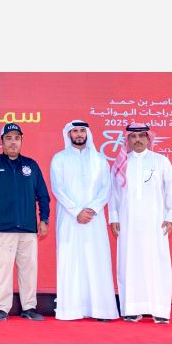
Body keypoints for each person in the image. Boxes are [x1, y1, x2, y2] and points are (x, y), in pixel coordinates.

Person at [0, 123, 50, 321]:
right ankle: (2, 308)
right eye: (8, 138)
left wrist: (44, 219)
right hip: (2, 228)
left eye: (17, 138)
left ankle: (29, 307)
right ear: (2, 141)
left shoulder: (31, 165)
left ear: (21, 141)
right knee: (3, 270)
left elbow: (43, 195)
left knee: (29, 270)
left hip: (28, 229)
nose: (13, 142)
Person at [49, 121, 118, 321]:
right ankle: (71, 310)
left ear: (87, 133)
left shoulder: (100, 160)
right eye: (75, 131)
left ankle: (102, 310)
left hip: (94, 219)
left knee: (97, 260)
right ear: (68, 134)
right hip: (69, 219)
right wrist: (76, 211)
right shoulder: (59, 159)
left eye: (82, 131)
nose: (79, 134)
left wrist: (92, 209)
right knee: (70, 260)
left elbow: (106, 188)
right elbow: (57, 188)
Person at [109, 123, 172, 323]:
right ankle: (132, 308)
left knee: (158, 263)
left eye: (141, 136)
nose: (137, 140)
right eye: (133, 136)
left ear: (148, 138)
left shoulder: (161, 161)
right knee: (129, 263)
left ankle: (159, 309)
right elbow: (113, 193)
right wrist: (114, 217)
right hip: (127, 222)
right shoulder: (121, 163)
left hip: (156, 223)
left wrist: (171, 216)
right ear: (128, 140)